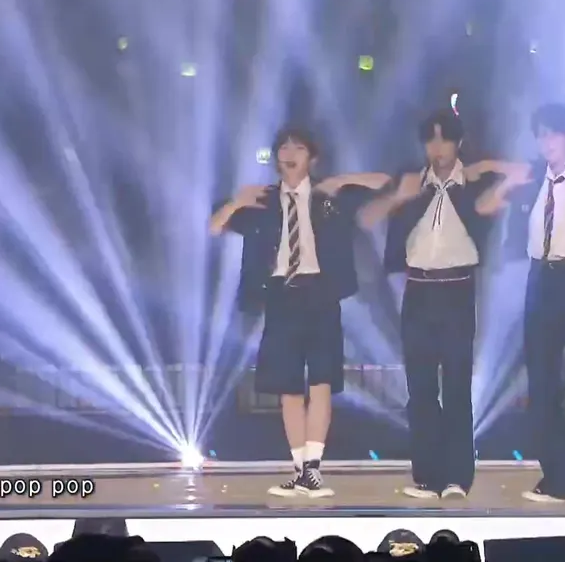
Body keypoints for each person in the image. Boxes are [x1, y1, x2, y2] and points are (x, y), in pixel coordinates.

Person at [209, 126, 389, 498]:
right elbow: (214, 227)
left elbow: (386, 183)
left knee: (321, 381)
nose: (289, 154)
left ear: (312, 158)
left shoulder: (329, 196)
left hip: (321, 294)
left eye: (298, 148)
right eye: (284, 148)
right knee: (287, 387)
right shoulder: (262, 200)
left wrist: (341, 181)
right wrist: (236, 202)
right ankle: (299, 470)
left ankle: (313, 470)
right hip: (280, 296)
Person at [475, 102, 565, 503]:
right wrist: (506, 181)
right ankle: (555, 474)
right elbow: (483, 207)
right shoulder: (531, 178)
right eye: (540, 135)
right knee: (542, 382)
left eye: (553, 134)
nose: (546, 142)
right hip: (541, 281)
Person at [357, 110, 499, 500]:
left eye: (445, 139)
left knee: (456, 386)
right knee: (420, 388)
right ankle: (427, 475)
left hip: (457, 289)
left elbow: (519, 175)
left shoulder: (474, 183)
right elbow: (366, 218)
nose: (437, 147)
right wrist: (398, 197)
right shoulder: (411, 181)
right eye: (431, 140)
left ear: (459, 143)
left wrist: (484, 166)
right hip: (418, 290)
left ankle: (457, 477)